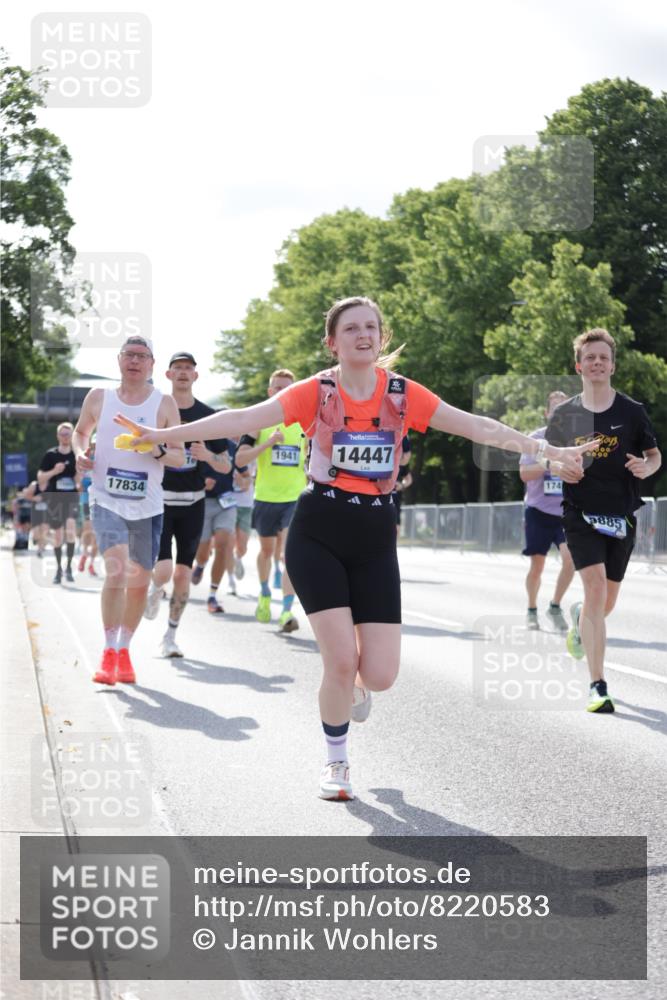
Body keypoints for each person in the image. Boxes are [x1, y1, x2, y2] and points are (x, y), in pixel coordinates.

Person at [116, 296, 597, 799]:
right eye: (351, 328)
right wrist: (162, 432)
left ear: (381, 337)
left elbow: (478, 425)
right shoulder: (316, 392)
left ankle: (356, 688)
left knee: (381, 675)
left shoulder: (402, 394)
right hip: (318, 532)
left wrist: (545, 449)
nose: (363, 334)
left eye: (371, 327)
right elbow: (239, 418)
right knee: (340, 660)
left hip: (374, 537)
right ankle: (337, 761)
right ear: (333, 342)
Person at [546, 328, 661, 713]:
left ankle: (581, 618)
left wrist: (647, 467)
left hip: (621, 514)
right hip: (579, 513)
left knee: (605, 602)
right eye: (590, 357)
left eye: (603, 358)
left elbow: (654, 455)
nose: (597, 363)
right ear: (579, 365)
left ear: (612, 365)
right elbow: (549, 457)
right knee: (594, 588)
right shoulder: (565, 415)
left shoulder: (632, 412)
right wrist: (560, 467)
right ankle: (598, 686)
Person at [72, 335, 184, 685]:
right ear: (119, 360)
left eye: (141, 356)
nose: (134, 361)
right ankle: (108, 651)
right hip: (106, 497)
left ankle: (123, 649)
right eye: (129, 355)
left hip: (147, 504)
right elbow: (81, 432)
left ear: (152, 364)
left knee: (139, 583)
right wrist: (80, 453)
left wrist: (154, 448)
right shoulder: (98, 397)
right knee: (117, 570)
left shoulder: (164, 403)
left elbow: (179, 457)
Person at [143, 352, 232, 655]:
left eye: (188, 368)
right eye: (177, 368)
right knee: (164, 570)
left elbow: (226, 466)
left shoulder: (208, 416)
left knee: (183, 573)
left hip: (194, 503)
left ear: (196, 375)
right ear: (168, 375)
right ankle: (156, 588)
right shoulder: (155, 410)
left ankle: (170, 636)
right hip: (160, 501)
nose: (183, 372)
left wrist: (208, 456)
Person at [235, 369, 307, 632]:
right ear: (270, 391)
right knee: (267, 552)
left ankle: (286, 610)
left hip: (295, 498)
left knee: (290, 555)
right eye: (278, 388)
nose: (283, 392)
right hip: (265, 497)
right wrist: (269, 443)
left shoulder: (304, 423)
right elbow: (240, 459)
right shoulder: (259, 422)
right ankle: (265, 592)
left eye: (288, 387)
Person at [519, 391, 575, 631]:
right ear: (547, 413)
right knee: (537, 567)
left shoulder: (576, 441)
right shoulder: (536, 439)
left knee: (571, 560)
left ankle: (555, 606)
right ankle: (532, 609)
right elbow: (524, 474)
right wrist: (550, 464)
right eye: (555, 409)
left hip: (566, 513)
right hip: (538, 511)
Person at [190, 440, 238, 613]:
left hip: (226, 502)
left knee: (223, 545)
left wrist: (245, 479)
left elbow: (243, 471)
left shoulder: (231, 446)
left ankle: (212, 594)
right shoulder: (197, 442)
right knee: (202, 553)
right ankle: (200, 565)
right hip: (202, 501)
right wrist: (202, 483)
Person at [37, 422, 79, 583]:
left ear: (72, 436)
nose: (65, 437)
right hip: (55, 499)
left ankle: (69, 567)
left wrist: (79, 475)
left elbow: (79, 481)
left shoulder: (76, 455)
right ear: (57, 436)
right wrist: (54, 471)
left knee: (71, 529)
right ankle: (59, 569)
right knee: (58, 535)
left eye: (68, 434)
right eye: (62, 434)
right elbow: (40, 478)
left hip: (71, 498)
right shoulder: (50, 455)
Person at [391, 434, 413, 536]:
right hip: (379, 498)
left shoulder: (401, 463)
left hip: (395, 499)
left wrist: (402, 485)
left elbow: (409, 479)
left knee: (396, 527)